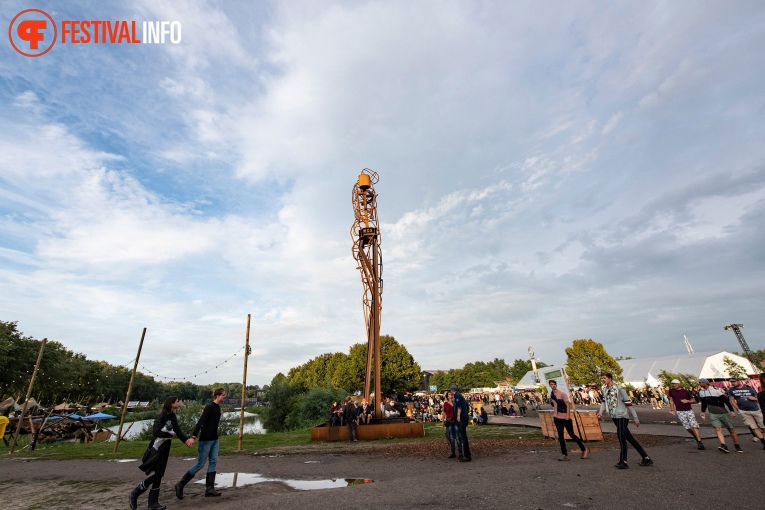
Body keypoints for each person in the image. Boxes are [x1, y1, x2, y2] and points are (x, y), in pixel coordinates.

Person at [131, 396, 193, 510]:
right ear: (172, 403)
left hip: (166, 447)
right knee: (159, 474)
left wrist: (186, 440)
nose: (178, 403)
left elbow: (177, 429)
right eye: (177, 401)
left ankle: (153, 503)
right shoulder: (161, 416)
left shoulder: (172, 416)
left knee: (160, 474)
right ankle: (136, 492)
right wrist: (169, 434)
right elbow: (156, 432)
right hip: (157, 447)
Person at [174, 388, 226, 500]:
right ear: (217, 395)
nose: (224, 397)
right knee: (200, 464)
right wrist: (193, 437)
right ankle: (180, 484)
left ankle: (210, 489)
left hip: (214, 440)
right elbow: (200, 422)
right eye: (223, 395)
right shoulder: (209, 407)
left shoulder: (218, 408)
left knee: (213, 461)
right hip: (205, 440)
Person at [597, 372, 652, 469]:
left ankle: (623, 461)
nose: (603, 380)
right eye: (602, 378)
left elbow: (629, 404)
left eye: (604, 378)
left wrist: (635, 418)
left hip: (622, 416)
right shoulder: (605, 389)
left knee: (621, 436)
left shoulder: (619, 390)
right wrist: (600, 412)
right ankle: (646, 457)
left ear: (610, 378)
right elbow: (604, 402)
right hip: (614, 416)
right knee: (629, 438)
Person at [548, 380, 588, 461]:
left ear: (556, 385)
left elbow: (567, 405)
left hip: (565, 417)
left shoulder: (562, 394)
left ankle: (583, 449)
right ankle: (564, 454)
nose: (553, 386)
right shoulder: (551, 394)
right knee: (561, 436)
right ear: (549, 386)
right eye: (551, 384)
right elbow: (554, 405)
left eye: (554, 384)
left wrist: (568, 416)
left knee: (571, 434)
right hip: (557, 417)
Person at [698, 378, 741, 453]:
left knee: (731, 429)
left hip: (722, 412)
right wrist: (703, 411)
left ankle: (737, 445)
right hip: (713, 413)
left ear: (706, 383)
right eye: (699, 382)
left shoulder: (717, 391)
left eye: (702, 382)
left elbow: (726, 401)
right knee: (718, 428)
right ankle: (723, 445)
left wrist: (731, 411)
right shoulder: (701, 392)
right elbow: (704, 403)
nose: (700, 384)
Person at [727, 377, 765, 450]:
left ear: (738, 381)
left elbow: (758, 397)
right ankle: (763, 442)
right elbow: (731, 400)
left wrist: (753, 398)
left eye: (734, 382)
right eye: (731, 382)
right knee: (753, 427)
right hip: (744, 410)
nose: (732, 383)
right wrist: (737, 408)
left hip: (755, 409)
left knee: (763, 425)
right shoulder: (731, 390)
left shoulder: (749, 388)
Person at [667, 379, 704, 450]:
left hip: (688, 410)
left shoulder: (685, 391)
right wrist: (672, 409)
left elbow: (693, 400)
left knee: (694, 425)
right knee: (687, 426)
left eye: (675, 384)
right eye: (673, 384)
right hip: (680, 411)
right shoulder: (671, 391)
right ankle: (695, 436)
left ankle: (699, 441)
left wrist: (687, 401)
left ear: (679, 384)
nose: (674, 385)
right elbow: (671, 400)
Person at [449, 385, 472, 462]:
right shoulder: (460, 395)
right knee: (463, 436)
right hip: (464, 417)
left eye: (450, 391)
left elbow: (459, 407)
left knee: (463, 437)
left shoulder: (457, 395)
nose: (450, 392)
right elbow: (466, 406)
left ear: (453, 390)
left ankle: (466, 455)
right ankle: (467, 453)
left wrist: (458, 416)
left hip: (462, 419)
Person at [443, 391, 462, 458]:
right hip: (450, 421)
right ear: (447, 396)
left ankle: (460, 452)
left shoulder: (455, 403)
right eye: (449, 394)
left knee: (457, 437)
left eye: (451, 394)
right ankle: (453, 452)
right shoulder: (446, 404)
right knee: (451, 437)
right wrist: (443, 421)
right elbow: (444, 413)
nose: (451, 395)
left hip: (455, 421)